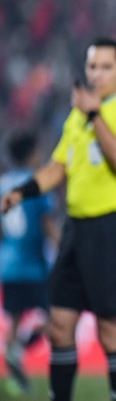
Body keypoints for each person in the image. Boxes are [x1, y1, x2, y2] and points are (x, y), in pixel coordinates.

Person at [1, 37, 116, 401]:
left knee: (109, 328)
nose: (96, 74)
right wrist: (22, 192)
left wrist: (96, 114)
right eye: (92, 66)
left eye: (105, 67)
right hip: (75, 229)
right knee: (60, 325)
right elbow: (56, 168)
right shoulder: (76, 115)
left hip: (112, 229)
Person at [0, 131, 58, 395]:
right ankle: (22, 349)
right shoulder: (36, 183)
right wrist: (60, 249)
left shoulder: (2, 185)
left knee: (13, 319)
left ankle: (14, 378)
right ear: (31, 153)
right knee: (55, 318)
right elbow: (46, 224)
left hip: (8, 264)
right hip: (34, 266)